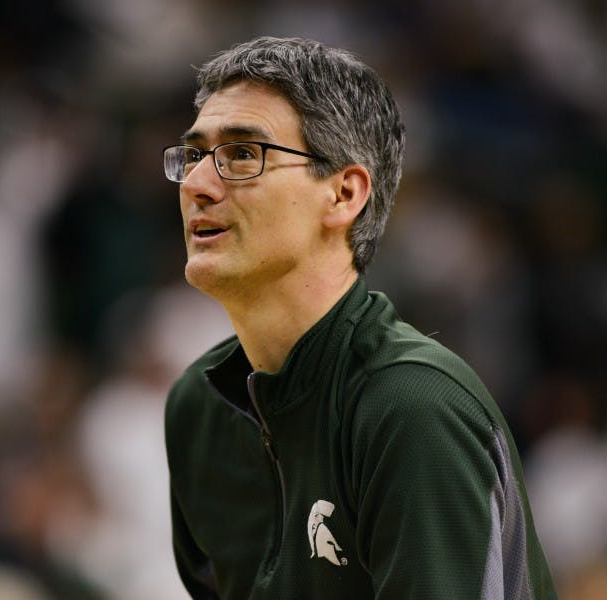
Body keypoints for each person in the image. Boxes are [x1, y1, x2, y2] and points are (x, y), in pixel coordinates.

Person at [162, 36, 557, 599]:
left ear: (345, 194)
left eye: (243, 155)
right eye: (195, 156)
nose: (197, 184)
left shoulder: (413, 411)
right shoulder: (197, 411)